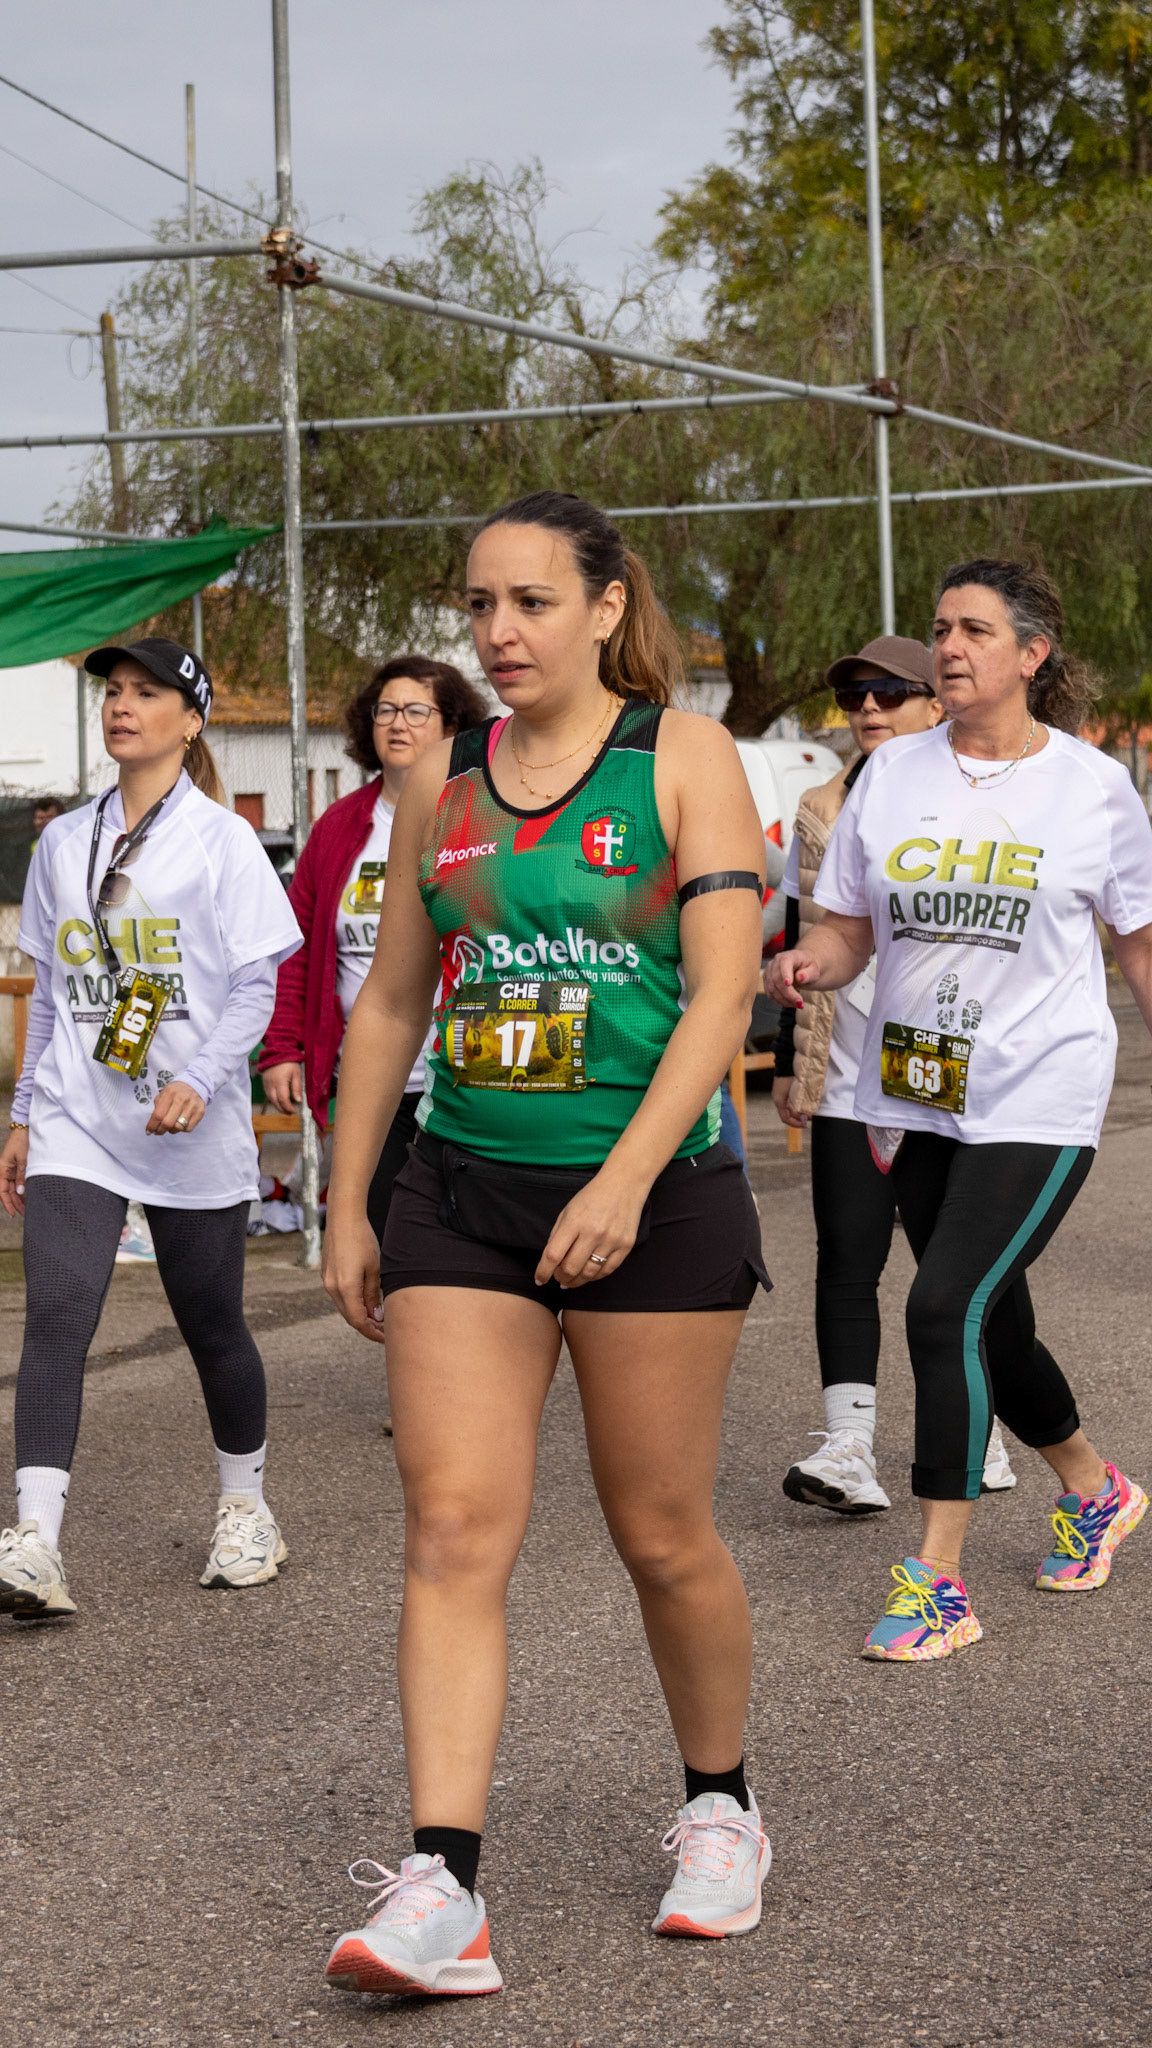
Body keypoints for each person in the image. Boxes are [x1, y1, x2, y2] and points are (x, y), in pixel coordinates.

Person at [321, 490, 771, 1998]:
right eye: (478, 606)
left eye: (530, 602)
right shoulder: (438, 781)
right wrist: (350, 1200)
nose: (498, 633)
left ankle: (722, 1806)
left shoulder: (682, 757)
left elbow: (724, 995)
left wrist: (625, 1182)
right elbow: (394, 1000)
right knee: (453, 1529)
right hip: (463, 1191)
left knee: (662, 1534)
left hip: (653, 1194)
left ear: (603, 605)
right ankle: (441, 1887)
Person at [767, 559, 1152, 1661]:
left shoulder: (1092, 787)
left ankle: (936, 1581)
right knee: (993, 1320)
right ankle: (1096, 1488)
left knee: (940, 1309)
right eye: (940, 628)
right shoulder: (891, 777)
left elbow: (1137, 945)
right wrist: (811, 962)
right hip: (919, 1088)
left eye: (975, 629)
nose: (948, 647)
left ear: (1032, 653)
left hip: (1043, 1089)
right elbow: (850, 928)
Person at [0, 638, 302, 1618]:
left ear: (191, 719)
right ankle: (35, 1542)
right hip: (77, 1118)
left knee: (212, 1325)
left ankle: (246, 1508)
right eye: (113, 692)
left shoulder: (221, 841)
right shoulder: (61, 842)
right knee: (58, 1312)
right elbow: (52, 990)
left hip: (189, 1126)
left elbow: (256, 985)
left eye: (146, 693)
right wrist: (24, 1113)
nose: (122, 706)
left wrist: (204, 1080)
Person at [774, 636, 1016, 1511]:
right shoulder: (819, 807)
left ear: (936, 703)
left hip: (950, 1071)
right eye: (854, 698)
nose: (868, 710)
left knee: (959, 1268)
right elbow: (801, 932)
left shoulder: (982, 797)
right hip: (846, 1069)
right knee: (846, 1257)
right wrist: (788, 1057)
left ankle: (981, 1429)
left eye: (889, 693)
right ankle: (848, 1449)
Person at [259, 655, 488, 1240]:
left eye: (416, 711)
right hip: (372, 1080)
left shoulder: (484, 817)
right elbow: (297, 947)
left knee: (466, 1237)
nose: (397, 723)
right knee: (385, 1236)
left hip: (467, 1076)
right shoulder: (338, 827)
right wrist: (282, 1047)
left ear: (452, 726)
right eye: (385, 710)